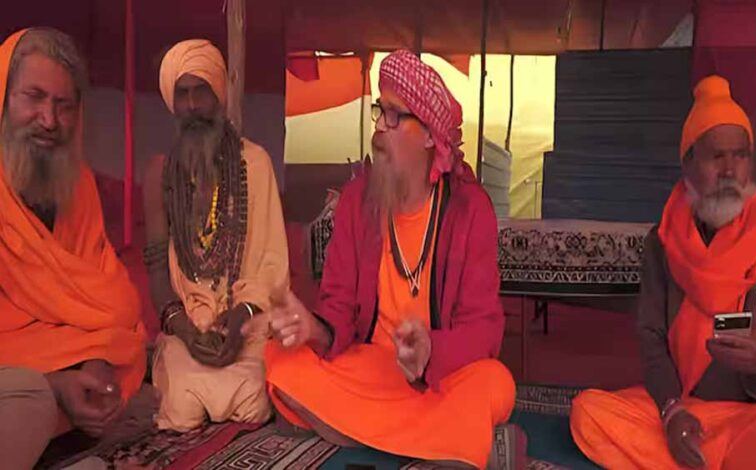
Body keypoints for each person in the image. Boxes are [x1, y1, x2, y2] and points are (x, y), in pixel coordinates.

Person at [259, 49, 517, 469]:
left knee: (495, 383)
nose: (379, 128)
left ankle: (361, 431)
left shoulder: (470, 210)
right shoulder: (357, 201)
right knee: (281, 361)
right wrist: (313, 328)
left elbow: (484, 330)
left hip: (437, 375)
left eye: (395, 116)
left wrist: (429, 350)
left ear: (431, 136)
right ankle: (445, 442)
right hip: (371, 367)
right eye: (380, 111)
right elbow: (338, 306)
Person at [570, 75, 756, 469]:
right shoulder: (664, 242)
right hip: (686, 411)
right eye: (716, 157)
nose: (730, 170)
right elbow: (651, 338)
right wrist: (671, 411)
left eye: (741, 156)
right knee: (589, 414)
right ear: (688, 164)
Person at [0, 28, 147, 468]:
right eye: (34, 97)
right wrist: (56, 381)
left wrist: (95, 362)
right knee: (32, 400)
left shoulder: (78, 184)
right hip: (18, 377)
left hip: (60, 362)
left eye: (63, 105)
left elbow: (107, 298)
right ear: (4, 99)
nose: (49, 119)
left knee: (122, 358)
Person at [143, 39, 289, 431]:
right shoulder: (160, 174)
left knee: (254, 399)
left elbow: (271, 263)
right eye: (183, 94)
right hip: (187, 327)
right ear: (172, 102)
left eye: (202, 91)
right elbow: (156, 271)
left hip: (246, 322)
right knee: (180, 409)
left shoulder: (254, 164)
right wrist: (184, 329)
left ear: (219, 94)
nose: (192, 105)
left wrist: (241, 318)